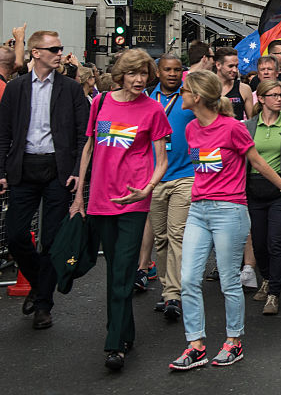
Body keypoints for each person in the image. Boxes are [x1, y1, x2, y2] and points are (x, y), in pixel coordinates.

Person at [170, 70, 281, 371]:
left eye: (184, 90)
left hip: (229, 210)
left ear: (196, 96)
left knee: (229, 281)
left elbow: (258, 162)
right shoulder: (192, 128)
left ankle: (233, 341)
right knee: (189, 279)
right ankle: (196, 345)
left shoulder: (233, 128)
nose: (180, 94)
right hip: (198, 209)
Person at [69, 48, 171, 371]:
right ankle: (126, 331)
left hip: (133, 201)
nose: (139, 79)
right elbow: (89, 148)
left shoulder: (154, 110)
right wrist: (79, 197)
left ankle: (115, 346)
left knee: (124, 269)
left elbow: (162, 160)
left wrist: (147, 188)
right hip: (100, 199)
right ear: (120, 75)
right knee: (116, 271)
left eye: (144, 74)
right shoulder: (100, 104)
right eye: (133, 73)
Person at [0, 30, 89, 331]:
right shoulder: (16, 88)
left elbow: (83, 133)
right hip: (23, 168)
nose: (59, 53)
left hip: (57, 170)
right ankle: (38, 283)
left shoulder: (70, 89)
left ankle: (43, 304)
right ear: (35, 52)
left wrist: (76, 171)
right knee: (15, 235)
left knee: (52, 240)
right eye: (53, 49)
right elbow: (2, 132)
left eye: (60, 48)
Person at [244, 80, 281, 316]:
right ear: (261, 98)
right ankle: (267, 277)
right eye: (273, 95)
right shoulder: (249, 126)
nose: (279, 99)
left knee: (276, 240)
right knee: (258, 242)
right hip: (254, 189)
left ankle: (274, 292)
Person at [147, 54, 195, 322]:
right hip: (155, 178)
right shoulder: (147, 98)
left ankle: (174, 294)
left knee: (177, 235)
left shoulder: (189, 98)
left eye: (178, 70)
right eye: (167, 69)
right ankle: (167, 288)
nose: (173, 74)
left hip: (184, 175)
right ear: (158, 71)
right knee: (161, 237)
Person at [214, 47, 253, 121]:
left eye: (236, 66)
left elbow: (252, 121)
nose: (235, 70)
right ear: (218, 65)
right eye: (230, 66)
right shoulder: (206, 87)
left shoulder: (244, 89)